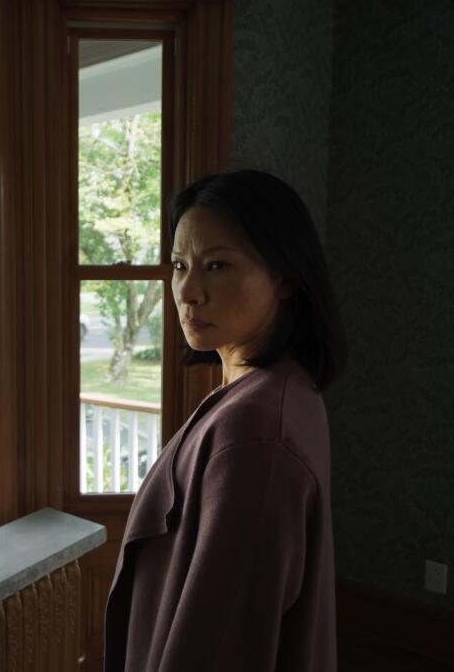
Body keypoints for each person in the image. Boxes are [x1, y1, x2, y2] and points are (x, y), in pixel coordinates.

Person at [103, 170, 346, 671]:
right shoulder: (280, 390)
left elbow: (220, 649)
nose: (187, 291)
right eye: (178, 265)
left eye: (216, 265)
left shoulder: (256, 435)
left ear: (283, 277)